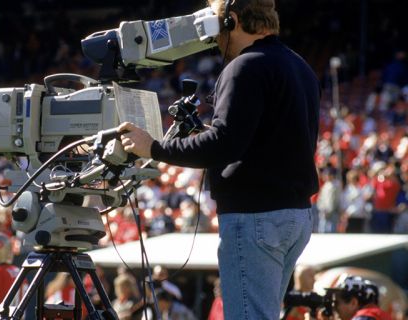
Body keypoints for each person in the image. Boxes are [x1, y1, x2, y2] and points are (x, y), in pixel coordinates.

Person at [118, 0, 319, 318]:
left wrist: (152, 148)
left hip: (256, 217)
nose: (211, 38)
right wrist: (202, 134)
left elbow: (224, 145)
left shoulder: (245, 65)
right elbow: (258, 140)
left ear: (232, 21)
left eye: (214, 25)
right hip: (296, 215)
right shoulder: (298, 65)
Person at [321, 275, 391, 320]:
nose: (333, 307)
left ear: (353, 303)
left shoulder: (364, 317)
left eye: (336, 303)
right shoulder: (376, 315)